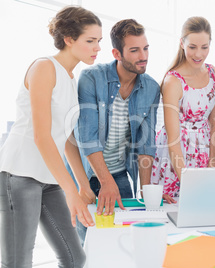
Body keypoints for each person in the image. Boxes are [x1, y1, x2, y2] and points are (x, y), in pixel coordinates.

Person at [0, 6, 101, 267]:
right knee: (18, 260)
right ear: (69, 39)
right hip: (20, 174)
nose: (96, 48)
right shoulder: (44, 67)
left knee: (74, 257)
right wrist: (70, 191)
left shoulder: (70, 77)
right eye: (90, 41)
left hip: (49, 177)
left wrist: (82, 184)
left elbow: (66, 138)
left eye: (98, 41)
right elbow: (42, 136)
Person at [72, 19, 160, 242]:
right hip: (88, 173)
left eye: (146, 48)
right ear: (117, 53)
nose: (143, 55)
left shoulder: (151, 87)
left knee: (124, 239)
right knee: (87, 242)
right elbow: (87, 137)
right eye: (134, 50)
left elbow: (146, 145)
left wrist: (146, 193)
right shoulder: (91, 78)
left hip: (120, 174)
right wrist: (106, 182)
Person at [150, 16, 215, 203]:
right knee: (174, 211)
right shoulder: (173, 81)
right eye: (192, 47)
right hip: (175, 156)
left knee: (203, 209)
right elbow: (173, 141)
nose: (199, 54)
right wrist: (188, 183)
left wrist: (212, 164)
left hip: (203, 150)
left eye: (204, 47)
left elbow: (213, 122)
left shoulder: (214, 74)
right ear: (182, 43)